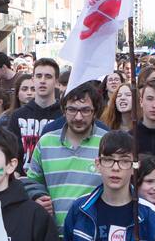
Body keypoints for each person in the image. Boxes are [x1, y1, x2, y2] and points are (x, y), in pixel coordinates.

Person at [26, 84, 104, 226]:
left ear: (95, 112)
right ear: (63, 110)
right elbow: (32, 182)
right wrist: (37, 196)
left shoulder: (106, 143)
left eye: (85, 110)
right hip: (53, 236)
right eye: (72, 110)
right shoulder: (46, 143)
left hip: (94, 235)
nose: (78, 117)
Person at [5, 58, 63, 164]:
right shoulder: (18, 115)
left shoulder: (64, 115)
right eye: (39, 76)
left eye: (48, 77)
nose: (42, 81)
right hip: (24, 177)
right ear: (33, 80)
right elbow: (11, 150)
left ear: (57, 82)